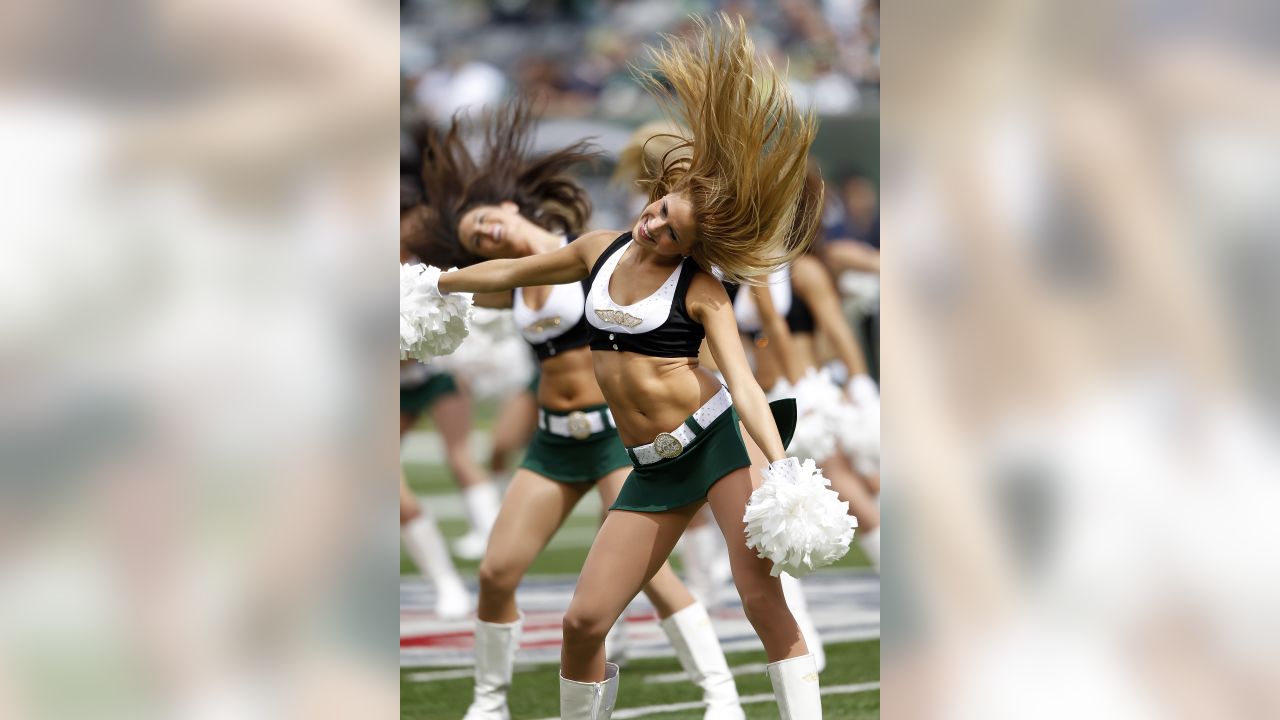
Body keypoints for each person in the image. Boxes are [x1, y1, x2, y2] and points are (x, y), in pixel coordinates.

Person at [436, 16, 826, 719]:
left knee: (759, 595)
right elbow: (517, 268)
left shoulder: (700, 290)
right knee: (585, 622)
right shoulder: (596, 248)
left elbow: (740, 383)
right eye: (659, 212)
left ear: (692, 246)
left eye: (673, 231)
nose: (655, 226)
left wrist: (782, 465)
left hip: (717, 446)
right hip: (650, 465)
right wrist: (436, 284)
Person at [413, 99, 746, 720]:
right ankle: (489, 703)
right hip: (552, 442)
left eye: (484, 222)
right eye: (471, 240)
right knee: (495, 570)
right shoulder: (517, 280)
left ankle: (720, 696)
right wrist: (423, 282)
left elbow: (669, 328)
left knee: (651, 577)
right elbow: (490, 280)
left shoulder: (596, 253)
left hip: (612, 440)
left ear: (511, 208)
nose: (482, 234)